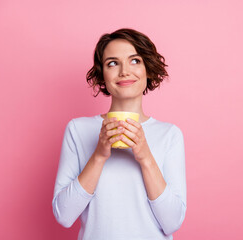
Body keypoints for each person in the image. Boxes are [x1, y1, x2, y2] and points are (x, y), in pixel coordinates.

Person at [52, 28, 187, 240]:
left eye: (135, 60)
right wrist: (99, 155)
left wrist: (145, 156)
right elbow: (64, 215)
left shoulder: (169, 134)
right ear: (102, 75)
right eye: (112, 63)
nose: (124, 71)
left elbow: (172, 222)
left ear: (148, 70)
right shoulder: (78, 130)